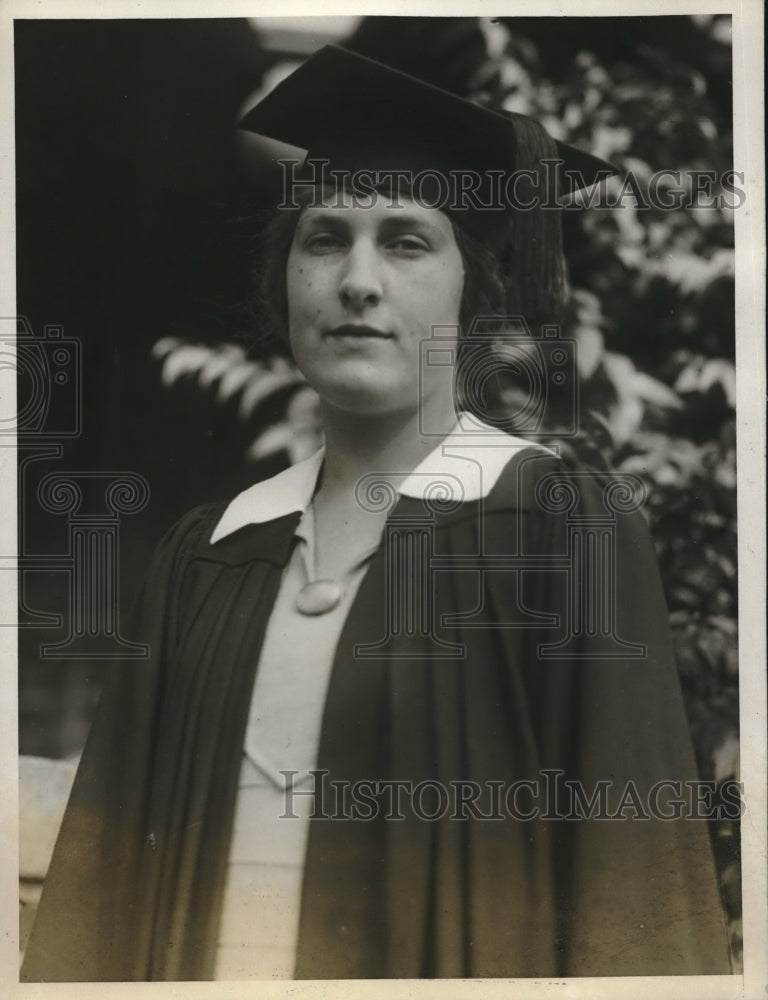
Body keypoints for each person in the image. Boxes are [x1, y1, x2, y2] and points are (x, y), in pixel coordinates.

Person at [21, 44, 731, 982]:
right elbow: (93, 915)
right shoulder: (213, 552)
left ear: (473, 288)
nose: (359, 280)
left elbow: (639, 914)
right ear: (285, 280)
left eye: (406, 241)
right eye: (325, 239)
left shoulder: (559, 533)